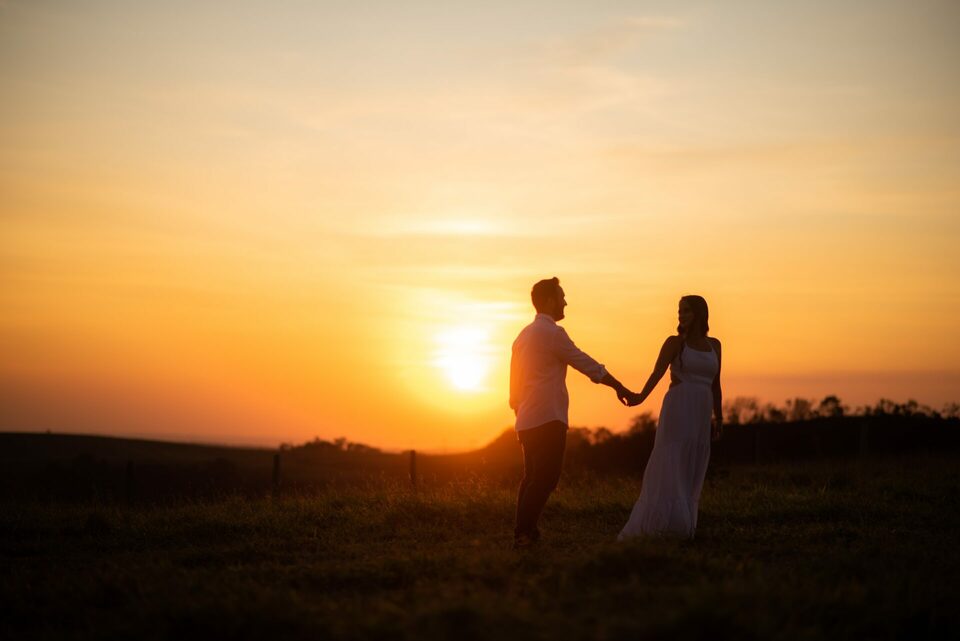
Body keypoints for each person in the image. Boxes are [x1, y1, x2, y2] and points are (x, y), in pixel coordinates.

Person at [510, 277, 632, 549]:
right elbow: (586, 363)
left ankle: (526, 532)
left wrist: (520, 410)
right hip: (549, 417)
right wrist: (618, 386)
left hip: (526, 419)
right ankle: (523, 533)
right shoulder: (553, 334)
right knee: (546, 477)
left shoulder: (522, 336)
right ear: (550, 300)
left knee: (531, 477)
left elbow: (513, 386)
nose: (565, 302)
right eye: (562, 296)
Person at [618, 295, 723, 540]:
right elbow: (657, 373)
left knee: (693, 462)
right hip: (679, 406)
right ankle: (663, 524)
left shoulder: (715, 345)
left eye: (686, 310)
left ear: (699, 313)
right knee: (673, 459)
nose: (681, 315)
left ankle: (684, 522)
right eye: (679, 311)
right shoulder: (675, 343)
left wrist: (719, 417)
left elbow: (716, 384)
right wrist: (640, 397)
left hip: (702, 409)